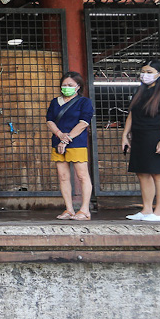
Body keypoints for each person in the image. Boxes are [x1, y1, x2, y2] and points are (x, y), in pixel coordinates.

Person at [122, 59, 160, 222]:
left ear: (159, 74)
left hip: (157, 135)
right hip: (140, 136)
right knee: (142, 173)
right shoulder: (140, 91)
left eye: (149, 72)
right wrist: (125, 134)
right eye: (143, 72)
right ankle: (146, 209)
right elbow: (131, 114)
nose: (145, 75)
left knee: (159, 173)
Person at [46, 71, 94, 221]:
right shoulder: (55, 102)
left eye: (70, 85)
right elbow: (50, 120)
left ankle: (85, 210)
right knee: (63, 176)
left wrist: (66, 139)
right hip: (58, 141)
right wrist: (60, 135)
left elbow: (84, 123)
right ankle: (69, 209)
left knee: (82, 175)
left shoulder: (84, 102)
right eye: (64, 85)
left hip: (76, 142)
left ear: (78, 87)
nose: (66, 87)